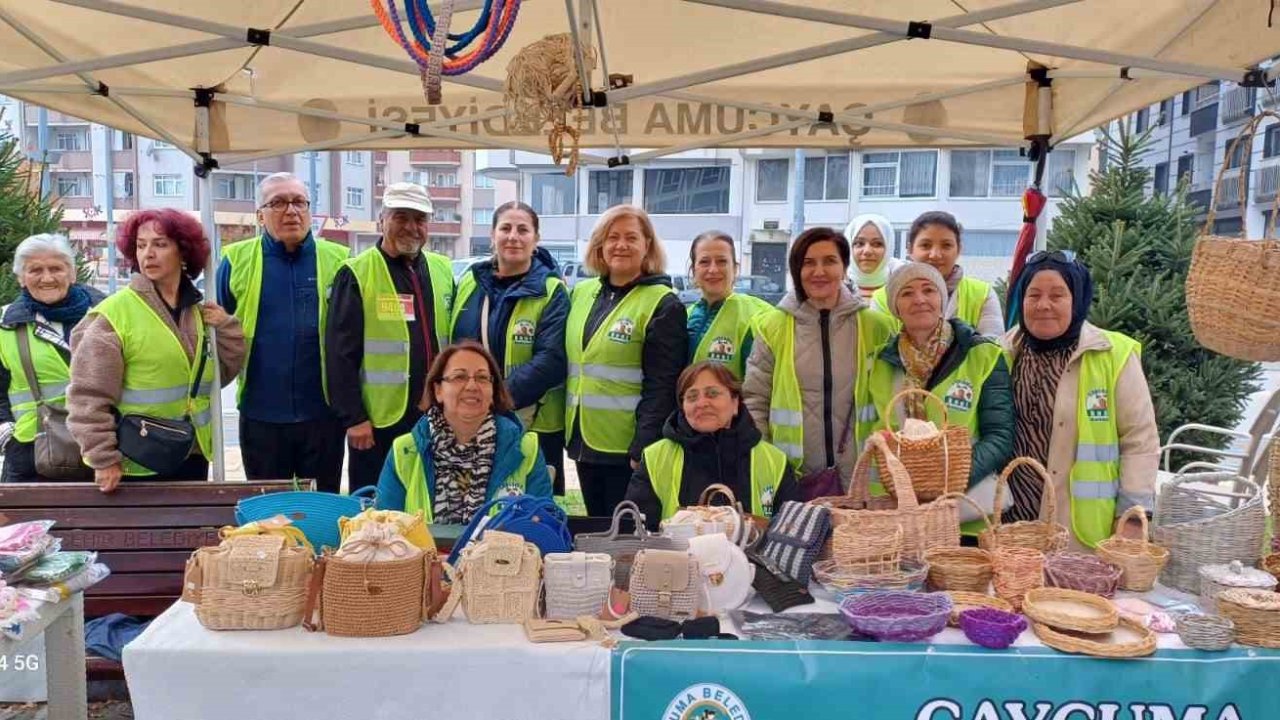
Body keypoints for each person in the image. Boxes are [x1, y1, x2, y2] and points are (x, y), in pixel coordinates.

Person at [67, 210, 245, 491]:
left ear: (183, 252)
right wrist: (103, 458)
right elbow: (87, 398)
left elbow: (215, 378)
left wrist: (226, 328)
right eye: (141, 245)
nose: (148, 254)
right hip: (135, 461)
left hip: (190, 452)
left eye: (160, 244)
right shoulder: (114, 315)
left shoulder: (198, 313)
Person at [1003, 250, 1158, 549]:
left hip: (1079, 530)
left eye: (1058, 295)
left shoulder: (1112, 354)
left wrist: (1133, 517)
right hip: (1011, 522)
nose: (1043, 305)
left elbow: (1140, 439)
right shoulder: (1002, 352)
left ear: (1077, 299)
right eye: (1033, 294)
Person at [216, 173, 349, 492]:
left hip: (323, 414)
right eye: (278, 203)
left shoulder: (339, 259)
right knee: (268, 512)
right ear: (260, 215)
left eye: (299, 202)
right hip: (261, 414)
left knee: (321, 509)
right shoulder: (236, 260)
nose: (291, 211)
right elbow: (216, 329)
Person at [326, 182, 454, 492]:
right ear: (382, 220)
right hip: (378, 422)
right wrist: (354, 417)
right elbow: (339, 354)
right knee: (378, 507)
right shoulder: (356, 273)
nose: (411, 227)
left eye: (419, 219)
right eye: (401, 216)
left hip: (433, 418)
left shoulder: (441, 269)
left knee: (429, 501)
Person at [743, 227, 896, 483]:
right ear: (796, 271)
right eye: (808, 263)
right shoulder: (773, 326)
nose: (819, 271)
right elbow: (755, 400)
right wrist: (770, 463)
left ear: (845, 267)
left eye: (830, 261)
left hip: (864, 479)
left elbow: (894, 400)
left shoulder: (877, 327)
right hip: (792, 479)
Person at [566, 205, 686, 516]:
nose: (621, 245)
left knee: (624, 539)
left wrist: (643, 446)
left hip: (626, 449)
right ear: (600, 246)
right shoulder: (581, 293)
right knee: (595, 528)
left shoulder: (662, 303)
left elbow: (662, 385)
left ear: (647, 245)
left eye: (631, 237)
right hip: (584, 441)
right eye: (612, 237)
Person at [866, 262, 1014, 511]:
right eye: (907, 293)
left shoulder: (983, 355)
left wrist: (950, 480)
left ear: (942, 299)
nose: (919, 299)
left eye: (928, 290)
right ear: (895, 308)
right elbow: (878, 432)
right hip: (899, 510)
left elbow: (999, 436)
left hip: (964, 510)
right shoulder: (881, 362)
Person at [450, 202, 569, 494]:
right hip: (472, 422)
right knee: (474, 507)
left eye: (523, 230)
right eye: (505, 228)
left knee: (529, 516)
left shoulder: (552, 291)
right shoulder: (469, 283)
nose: (513, 236)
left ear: (536, 239)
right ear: (493, 235)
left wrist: (494, 399)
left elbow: (550, 361)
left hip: (533, 426)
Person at [375, 341, 550, 523]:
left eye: (482, 378)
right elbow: (382, 531)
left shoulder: (526, 448)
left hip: (504, 552)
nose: (472, 386)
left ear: (493, 391)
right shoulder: (405, 450)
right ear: (438, 391)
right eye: (459, 377)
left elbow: (546, 527)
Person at [626, 361, 796, 530]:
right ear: (683, 407)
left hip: (755, 557)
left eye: (712, 393)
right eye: (692, 397)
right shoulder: (655, 457)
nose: (701, 403)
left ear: (735, 402)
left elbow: (791, 534)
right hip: (675, 556)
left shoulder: (775, 461)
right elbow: (634, 532)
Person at [0, 234, 105, 482]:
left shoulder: (107, 316)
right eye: (35, 270)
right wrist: (7, 435)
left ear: (72, 273)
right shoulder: (4, 325)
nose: (47, 278)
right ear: (20, 278)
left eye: (56, 268)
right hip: (29, 457)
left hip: (102, 451)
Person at [873, 211, 1004, 336]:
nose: (935, 254)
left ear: (959, 249)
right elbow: (878, 351)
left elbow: (993, 350)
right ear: (910, 249)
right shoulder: (883, 298)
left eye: (946, 245)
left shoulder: (982, 294)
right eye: (925, 245)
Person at [685, 231, 771, 380]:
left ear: (735, 269)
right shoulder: (684, 316)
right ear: (694, 270)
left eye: (721, 261)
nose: (713, 269)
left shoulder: (760, 315)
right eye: (704, 262)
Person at [845, 213, 903, 300]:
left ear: (888, 247)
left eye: (877, 244)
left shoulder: (904, 285)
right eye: (859, 243)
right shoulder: (833, 285)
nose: (867, 251)